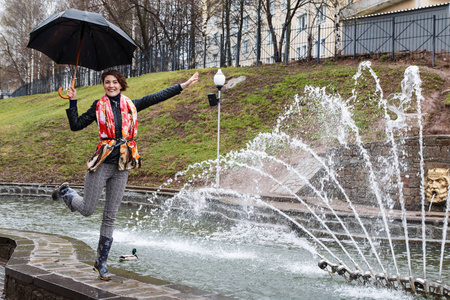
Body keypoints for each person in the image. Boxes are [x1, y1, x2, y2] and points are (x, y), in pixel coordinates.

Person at [52, 70, 199, 281]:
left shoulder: (131, 105)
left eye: (114, 82)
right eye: (106, 82)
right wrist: (72, 101)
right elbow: (76, 125)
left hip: (122, 165)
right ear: (103, 85)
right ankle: (66, 192)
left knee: (110, 216)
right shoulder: (98, 106)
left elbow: (155, 97)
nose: (110, 85)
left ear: (121, 84)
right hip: (101, 164)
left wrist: (182, 86)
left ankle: (100, 263)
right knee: (87, 209)